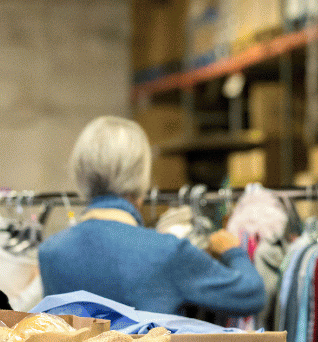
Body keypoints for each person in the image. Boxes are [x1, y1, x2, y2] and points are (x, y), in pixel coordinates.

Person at [38, 116, 265, 317]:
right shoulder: (165, 252)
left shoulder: (50, 252)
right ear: (140, 175)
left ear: (80, 171)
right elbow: (251, 295)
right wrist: (232, 252)